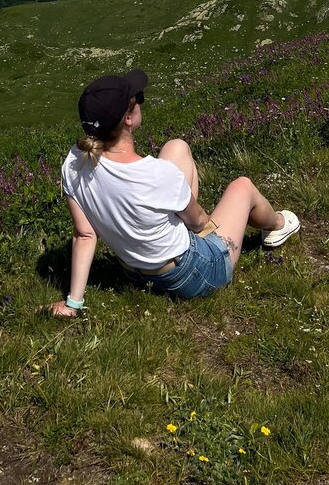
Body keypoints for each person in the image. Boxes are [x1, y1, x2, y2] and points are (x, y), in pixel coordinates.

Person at [47, 69, 300, 317]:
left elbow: (85, 234)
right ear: (128, 118)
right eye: (139, 100)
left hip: (132, 271)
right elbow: (199, 221)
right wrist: (209, 228)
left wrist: (73, 303)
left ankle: (172, 236)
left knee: (176, 147)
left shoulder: (73, 162)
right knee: (242, 186)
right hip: (190, 275)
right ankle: (278, 223)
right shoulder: (156, 175)